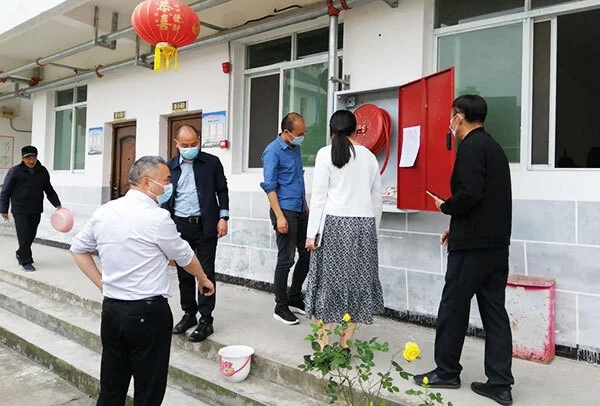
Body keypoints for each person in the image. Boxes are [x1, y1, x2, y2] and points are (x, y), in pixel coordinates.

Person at [69, 156, 214, 406]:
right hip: (148, 313)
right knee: (148, 390)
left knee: (112, 386)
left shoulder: (105, 211)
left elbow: (78, 249)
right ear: (147, 182)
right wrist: (202, 278)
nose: (170, 186)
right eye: (166, 180)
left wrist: (102, 284)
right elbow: (185, 256)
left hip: (112, 310)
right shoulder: (157, 218)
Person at [416, 95, 514, 406]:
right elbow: (488, 200)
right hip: (495, 246)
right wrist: (455, 225)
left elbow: (470, 194)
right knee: (495, 313)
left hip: (471, 249)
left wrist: (446, 207)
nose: (450, 123)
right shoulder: (494, 148)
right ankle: (500, 383)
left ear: (459, 117)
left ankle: (446, 371)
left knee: (453, 309)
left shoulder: (471, 147)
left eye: (451, 117)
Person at [303, 109, 384, 359]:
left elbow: (319, 197)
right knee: (357, 285)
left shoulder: (324, 154)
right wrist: (373, 233)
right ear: (356, 129)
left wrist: (311, 234)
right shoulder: (370, 157)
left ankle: (322, 349)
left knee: (326, 285)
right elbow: (377, 199)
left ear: (331, 130)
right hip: (364, 226)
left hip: (333, 226)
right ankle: (345, 346)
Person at [163, 125, 229, 342]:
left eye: (193, 144)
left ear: (199, 141)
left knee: (206, 272)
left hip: (206, 224)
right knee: (184, 272)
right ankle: (189, 314)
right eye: (185, 145)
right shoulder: (169, 167)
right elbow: (164, 197)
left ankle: (206, 319)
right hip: (180, 225)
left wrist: (223, 217)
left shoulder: (211, 163)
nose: (190, 148)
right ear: (176, 144)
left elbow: (222, 190)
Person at [260, 112, 310, 325]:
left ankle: (294, 297)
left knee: (307, 254)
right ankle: (280, 307)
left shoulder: (295, 148)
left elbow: (297, 178)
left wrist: (305, 206)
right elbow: (270, 187)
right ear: (287, 132)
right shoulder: (272, 151)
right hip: (284, 210)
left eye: (304, 133)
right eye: (299, 134)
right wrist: (280, 217)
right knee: (286, 259)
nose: (302, 137)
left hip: (299, 208)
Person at [0, 145, 62, 272]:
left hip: (35, 208)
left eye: (33, 158)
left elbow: (49, 189)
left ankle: (20, 253)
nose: (31, 161)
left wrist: (57, 204)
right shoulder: (15, 171)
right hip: (19, 209)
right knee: (23, 235)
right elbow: (6, 191)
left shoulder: (42, 171)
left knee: (31, 234)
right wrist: (3, 209)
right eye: (28, 158)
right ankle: (25, 261)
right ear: (23, 158)